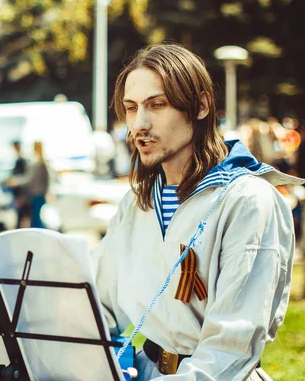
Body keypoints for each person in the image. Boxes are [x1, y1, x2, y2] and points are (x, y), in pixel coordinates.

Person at [93, 44, 301, 380]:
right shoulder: (137, 202)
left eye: (157, 104)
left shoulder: (247, 199)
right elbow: (96, 304)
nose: (139, 125)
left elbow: (229, 348)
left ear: (201, 106)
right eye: (131, 109)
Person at [10, 140, 30, 228]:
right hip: (19, 194)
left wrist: (21, 196)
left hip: (22, 195)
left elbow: (25, 178)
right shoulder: (19, 160)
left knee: (22, 218)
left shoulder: (22, 161)